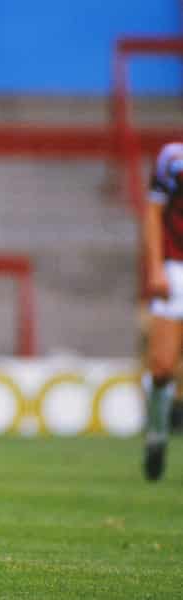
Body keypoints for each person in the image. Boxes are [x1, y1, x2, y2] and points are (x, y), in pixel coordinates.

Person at [141, 141, 183, 481]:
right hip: (176, 269)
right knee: (162, 366)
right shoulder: (172, 158)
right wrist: (154, 267)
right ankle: (156, 435)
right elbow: (154, 212)